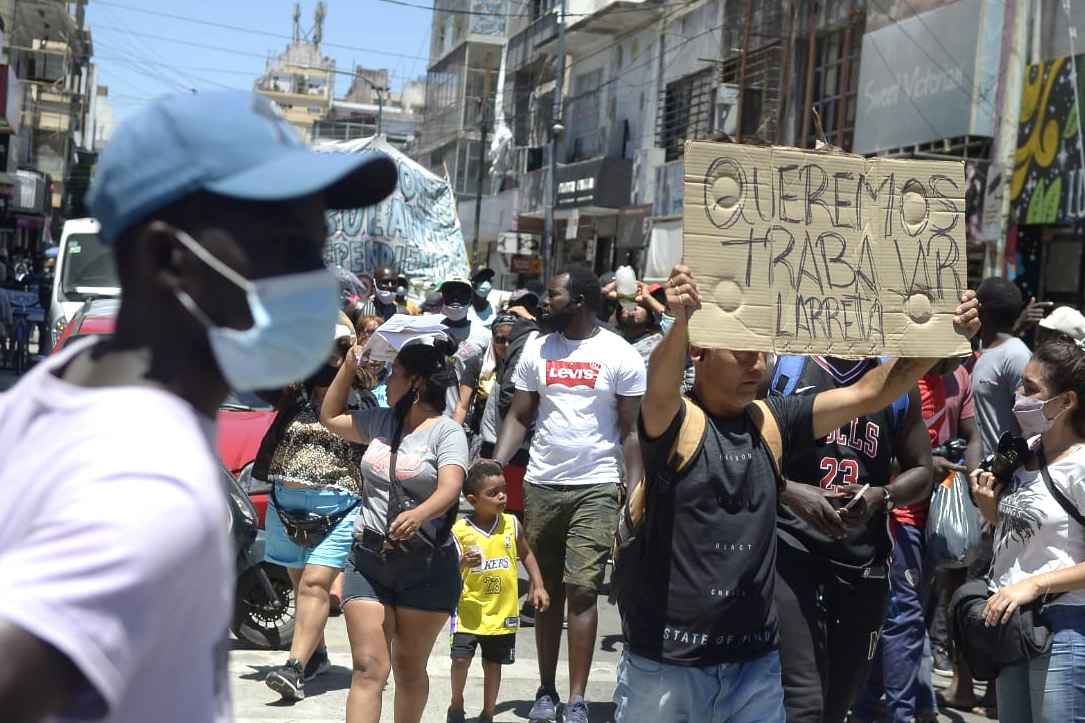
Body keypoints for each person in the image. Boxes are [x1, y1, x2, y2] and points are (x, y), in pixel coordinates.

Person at [0, 90, 398, 721]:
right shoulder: (156, 486)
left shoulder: (63, 383)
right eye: (283, 246)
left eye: (315, 251)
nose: (312, 281)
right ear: (167, 258)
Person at [613, 264, 980, 723]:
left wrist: (938, 339)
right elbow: (661, 383)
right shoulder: (675, 425)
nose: (758, 365)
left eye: (763, 354)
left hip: (754, 666)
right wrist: (681, 319)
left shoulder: (774, 422)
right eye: (742, 353)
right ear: (700, 352)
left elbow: (870, 392)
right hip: (669, 666)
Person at [492, 264, 646, 723]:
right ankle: (545, 689)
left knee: (582, 591)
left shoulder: (619, 354)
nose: (542, 302)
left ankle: (577, 698)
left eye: (551, 296)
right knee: (546, 592)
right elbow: (520, 417)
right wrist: (493, 466)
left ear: (578, 301)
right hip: (541, 484)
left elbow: (631, 430)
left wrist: (635, 489)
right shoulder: (537, 350)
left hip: (596, 485)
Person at [768, 350, 933, 723]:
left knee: (838, 702)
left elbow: (923, 469)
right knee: (803, 699)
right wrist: (790, 490)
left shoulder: (898, 382)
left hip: (862, 565)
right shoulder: (786, 368)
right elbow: (749, 446)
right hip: (791, 554)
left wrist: (882, 497)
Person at [320, 335, 468, 723]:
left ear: (416, 383)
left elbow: (451, 486)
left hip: (426, 566)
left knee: (407, 667)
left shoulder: (446, 432)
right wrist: (349, 368)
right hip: (368, 560)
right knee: (369, 667)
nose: (386, 381)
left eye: (395, 375)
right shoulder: (382, 421)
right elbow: (330, 417)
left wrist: (421, 514)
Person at [853, 360, 982, 723]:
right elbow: (870, 452)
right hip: (899, 516)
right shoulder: (895, 375)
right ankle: (902, 714)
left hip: (936, 519)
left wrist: (974, 478)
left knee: (902, 619)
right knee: (904, 620)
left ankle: (865, 708)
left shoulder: (958, 376)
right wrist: (924, 466)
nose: (962, 355)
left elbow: (972, 435)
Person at [970, 339, 1085, 722]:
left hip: (1060, 626)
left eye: (1031, 389)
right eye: (1021, 385)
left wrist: (1035, 585)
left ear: (1067, 401)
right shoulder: (1022, 452)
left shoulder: (1081, 466)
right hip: (1011, 622)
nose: (1019, 396)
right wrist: (990, 506)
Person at [258, 324, 365, 701]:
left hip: (338, 513)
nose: (327, 360)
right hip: (286, 511)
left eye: (334, 353)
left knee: (314, 586)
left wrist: (352, 351)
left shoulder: (363, 403)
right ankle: (316, 654)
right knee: (300, 584)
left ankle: (293, 669)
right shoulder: (291, 397)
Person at [448, 460, 550, 723]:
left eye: (503, 489)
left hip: (502, 614)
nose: (502, 496)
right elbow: (447, 571)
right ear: (472, 500)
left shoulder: (512, 524)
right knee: (461, 660)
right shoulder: (460, 531)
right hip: (468, 611)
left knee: (493, 664)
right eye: (493, 493)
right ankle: (456, 704)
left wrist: (537, 586)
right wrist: (462, 564)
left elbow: (526, 554)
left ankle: (488, 713)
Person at [973, 277, 1033, 455]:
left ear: (980, 311)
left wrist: (1006, 467)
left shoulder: (1015, 355)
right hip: (972, 474)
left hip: (1000, 478)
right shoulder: (982, 350)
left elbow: (1031, 425)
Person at [476, 313, 528, 515]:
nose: (506, 345)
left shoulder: (525, 372)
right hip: (490, 449)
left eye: (512, 340)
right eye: (500, 340)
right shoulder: (482, 368)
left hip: (520, 454)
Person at [440, 276, 491, 426]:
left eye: (462, 292)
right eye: (450, 292)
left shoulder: (485, 336)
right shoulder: (428, 331)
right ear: (442, 296)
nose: (455, 297)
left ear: (470, 298)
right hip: (428, 417)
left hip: (465, 421)